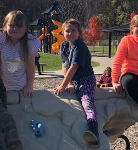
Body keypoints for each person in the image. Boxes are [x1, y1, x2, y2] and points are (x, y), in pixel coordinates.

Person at [54, 18, 99, 148]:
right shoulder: (63, 45)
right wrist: (69, 84)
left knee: (86, 101)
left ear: (79, 32)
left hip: (86, 79)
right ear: (63, 33)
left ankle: (93, 130)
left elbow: (74, 67)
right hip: (73, 79)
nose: (70, 33)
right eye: (67, 31)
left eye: (74, 30)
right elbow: (65, 65)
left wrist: (62, 85)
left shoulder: (79, 45)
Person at [0, 10, 40, 97]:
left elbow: (31, 65)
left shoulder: (30, 41)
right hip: (2, 84)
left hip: (21, 87)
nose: (15, 29)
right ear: (5, 25)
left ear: (26, 27)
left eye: (19, 26)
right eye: (12, 25)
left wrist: (29, 86)